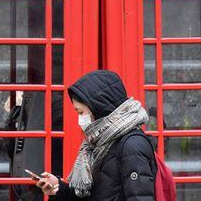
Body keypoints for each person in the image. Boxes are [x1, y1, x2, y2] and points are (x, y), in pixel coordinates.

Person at [35, 70, 157, 201]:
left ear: (99, 108)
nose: (80, 120)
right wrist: (59, 189)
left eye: (81, 112)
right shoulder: (100, 144)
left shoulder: (132, 146)